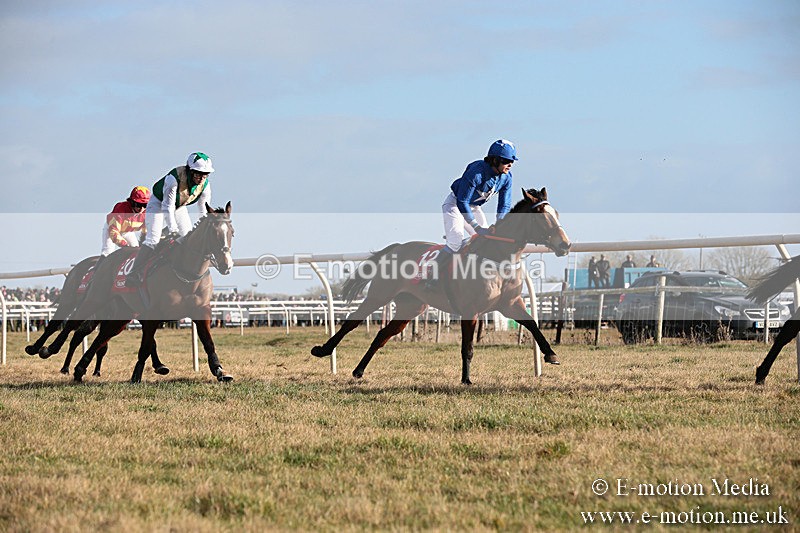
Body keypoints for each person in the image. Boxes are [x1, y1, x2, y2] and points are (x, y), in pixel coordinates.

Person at [426, 139, 517, 289]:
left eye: (512, 161)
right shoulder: (476, 172)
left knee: (488, 240)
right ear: (495, 160)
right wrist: (475, 226)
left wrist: (500, 224)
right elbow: (462, 201)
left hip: (474, 207)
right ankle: (431, 276)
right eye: (506, 161)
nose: (510, 164)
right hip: (455, 205)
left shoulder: (507, 177)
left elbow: (504, 204)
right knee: (455, 242)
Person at [126, 152, 214, 287]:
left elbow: (203, 209)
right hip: (158, 204)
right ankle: (133, 273)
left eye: (205, 174)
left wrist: (203, 229)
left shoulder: (205, 186)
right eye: (198, 174)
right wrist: (173, 229)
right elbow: (167, 206)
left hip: (179, 206)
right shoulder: (173, 179)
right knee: (153, 239)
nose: (202, 178)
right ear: (190, 171)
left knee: (187, 238)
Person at [100, 186, 150, 257]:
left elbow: (146, 231)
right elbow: (113, 232)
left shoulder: (146, 213)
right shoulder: (121, 209)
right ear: (132, 202)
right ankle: (96, 268)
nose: (142, 209)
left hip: (127, 232)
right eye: (139, 205)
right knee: (107, 253)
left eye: (145, 205)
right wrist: (125, 245)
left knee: (136, 251)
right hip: (111, 230)